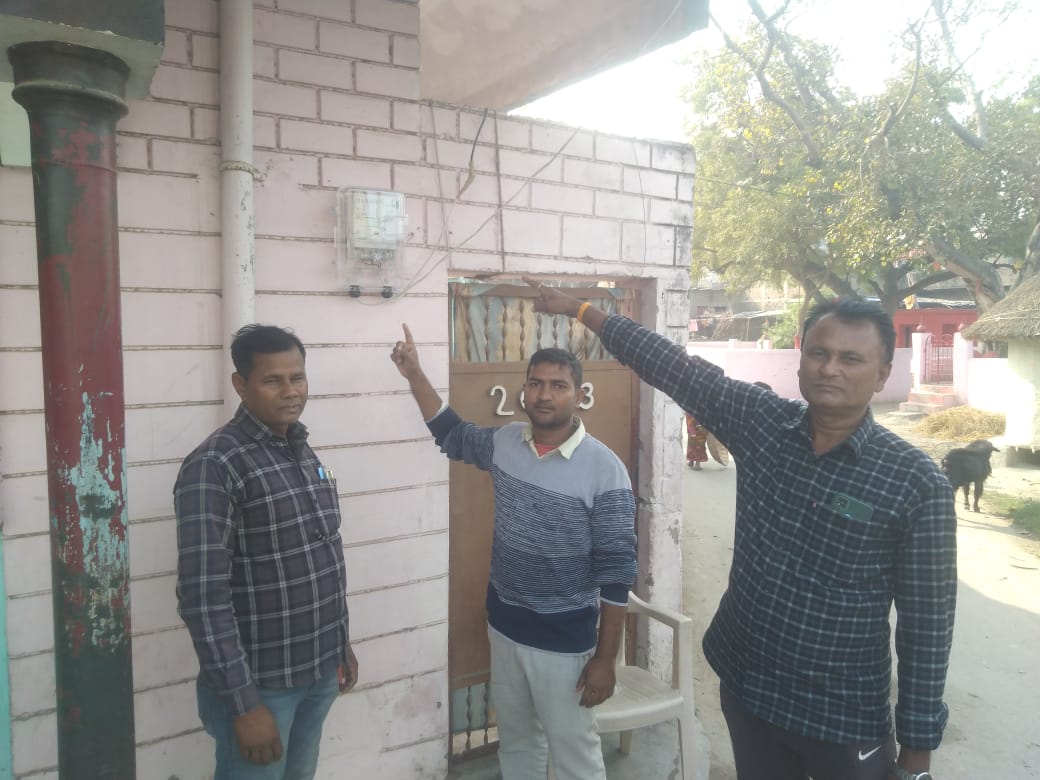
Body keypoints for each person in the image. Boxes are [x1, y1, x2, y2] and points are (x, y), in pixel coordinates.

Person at [524, 278, 956, 780]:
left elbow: (928, 625)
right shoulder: (763, 423)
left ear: (882, 374)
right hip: (748, 687)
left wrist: (917, 753)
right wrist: (580, 309)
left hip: (842, 714)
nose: (830, 368)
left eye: (851, 358)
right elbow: (671, 366)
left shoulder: (913, 482)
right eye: (818, 353)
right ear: (800, 358)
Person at [390, 324, 636, 780]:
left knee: (575, 758)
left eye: (558, 386)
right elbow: (451, 433)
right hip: (504, 628)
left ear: (579, 396)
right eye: (536, 383)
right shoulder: (506, 442)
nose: (544, 395)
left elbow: (618, 573)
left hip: (564, 643)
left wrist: (605, 659)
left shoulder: (605, 470)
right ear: (524, 390)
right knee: (518, 744)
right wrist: (415, 374)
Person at [175, 324, 359, 780]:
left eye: (297, 378)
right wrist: (244, 705)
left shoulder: (299, 450)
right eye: (272, 380)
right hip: (262, 687)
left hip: (319, 670)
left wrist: (341, 644)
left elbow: (319, 557)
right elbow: (203, 598)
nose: (290, 392)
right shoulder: (216, 465)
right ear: (241, 385)